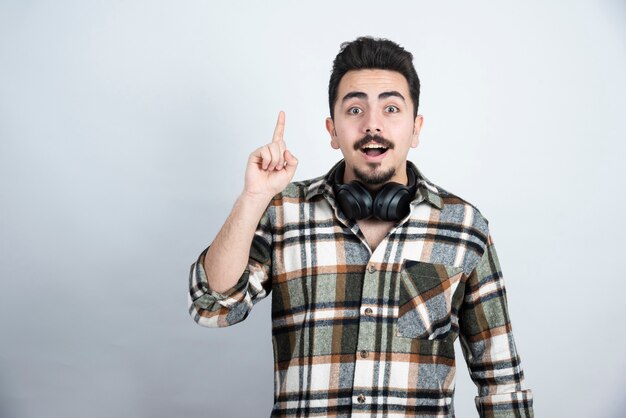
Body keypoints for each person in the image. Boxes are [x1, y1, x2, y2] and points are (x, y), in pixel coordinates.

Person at [188, 37, 534, 418]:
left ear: (416, 128)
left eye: (390, 108)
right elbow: (212, 306)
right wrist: (253, 197)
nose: (372, 125)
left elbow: (501, 381)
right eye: (355, 109)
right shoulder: (283, 212)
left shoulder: (464, 226)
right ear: (332, 130)